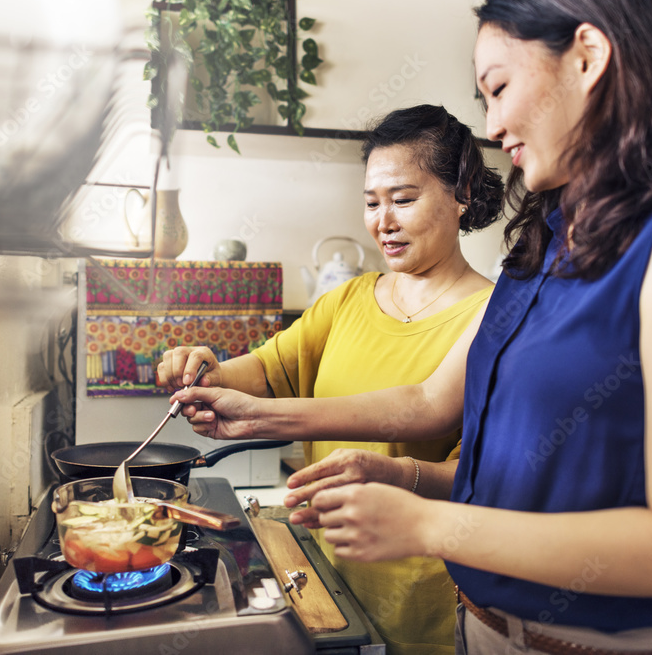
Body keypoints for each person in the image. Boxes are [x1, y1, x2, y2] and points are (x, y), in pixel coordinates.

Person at [171, 0, 652, 654]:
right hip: (482, 629)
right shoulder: (548, 243)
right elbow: (431, 402)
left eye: (499, 87)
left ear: (587, 56)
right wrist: (353, 453)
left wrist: (427, 526)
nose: (492, 127)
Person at [158, 104, 503, 655]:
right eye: (371, 202)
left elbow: (466, 466)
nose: (382, 221)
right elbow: (270, 370)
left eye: (403, 199)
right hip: (321, 573)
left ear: (461, 193)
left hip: (422, 597)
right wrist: (209, 368)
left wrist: (260, 417)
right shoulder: (348, 299)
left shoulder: (494, 314)